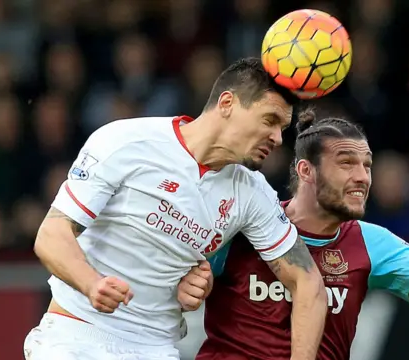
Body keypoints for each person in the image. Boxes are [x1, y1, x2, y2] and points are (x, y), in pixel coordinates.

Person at [23, 58, 328, 360]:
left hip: (156, 348)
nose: (277, 138)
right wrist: (92, 283)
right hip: (77, 334)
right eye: (269, 120)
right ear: (227, 103)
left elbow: (308, 281)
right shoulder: (127, 141)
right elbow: (52, 235)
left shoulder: (252, 192)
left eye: (283, 128)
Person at [177, 110, 409, 359]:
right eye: (346, 164)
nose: (362, 178)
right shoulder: (241, 224)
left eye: (367, 166)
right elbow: (167, 273)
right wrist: (187, 282)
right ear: (306, 171)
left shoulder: (373, 244)